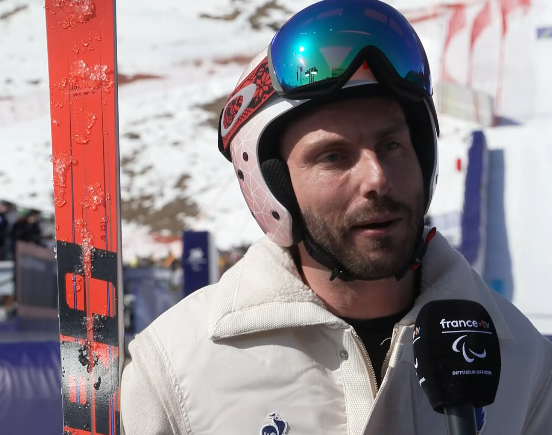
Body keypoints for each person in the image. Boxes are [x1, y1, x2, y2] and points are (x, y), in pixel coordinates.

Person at [121, 1, 552, 434]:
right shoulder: (174, 369)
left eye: (392, 145)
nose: (377, 178)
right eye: (333, 156)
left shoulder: (527, 363)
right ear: (273, 186)